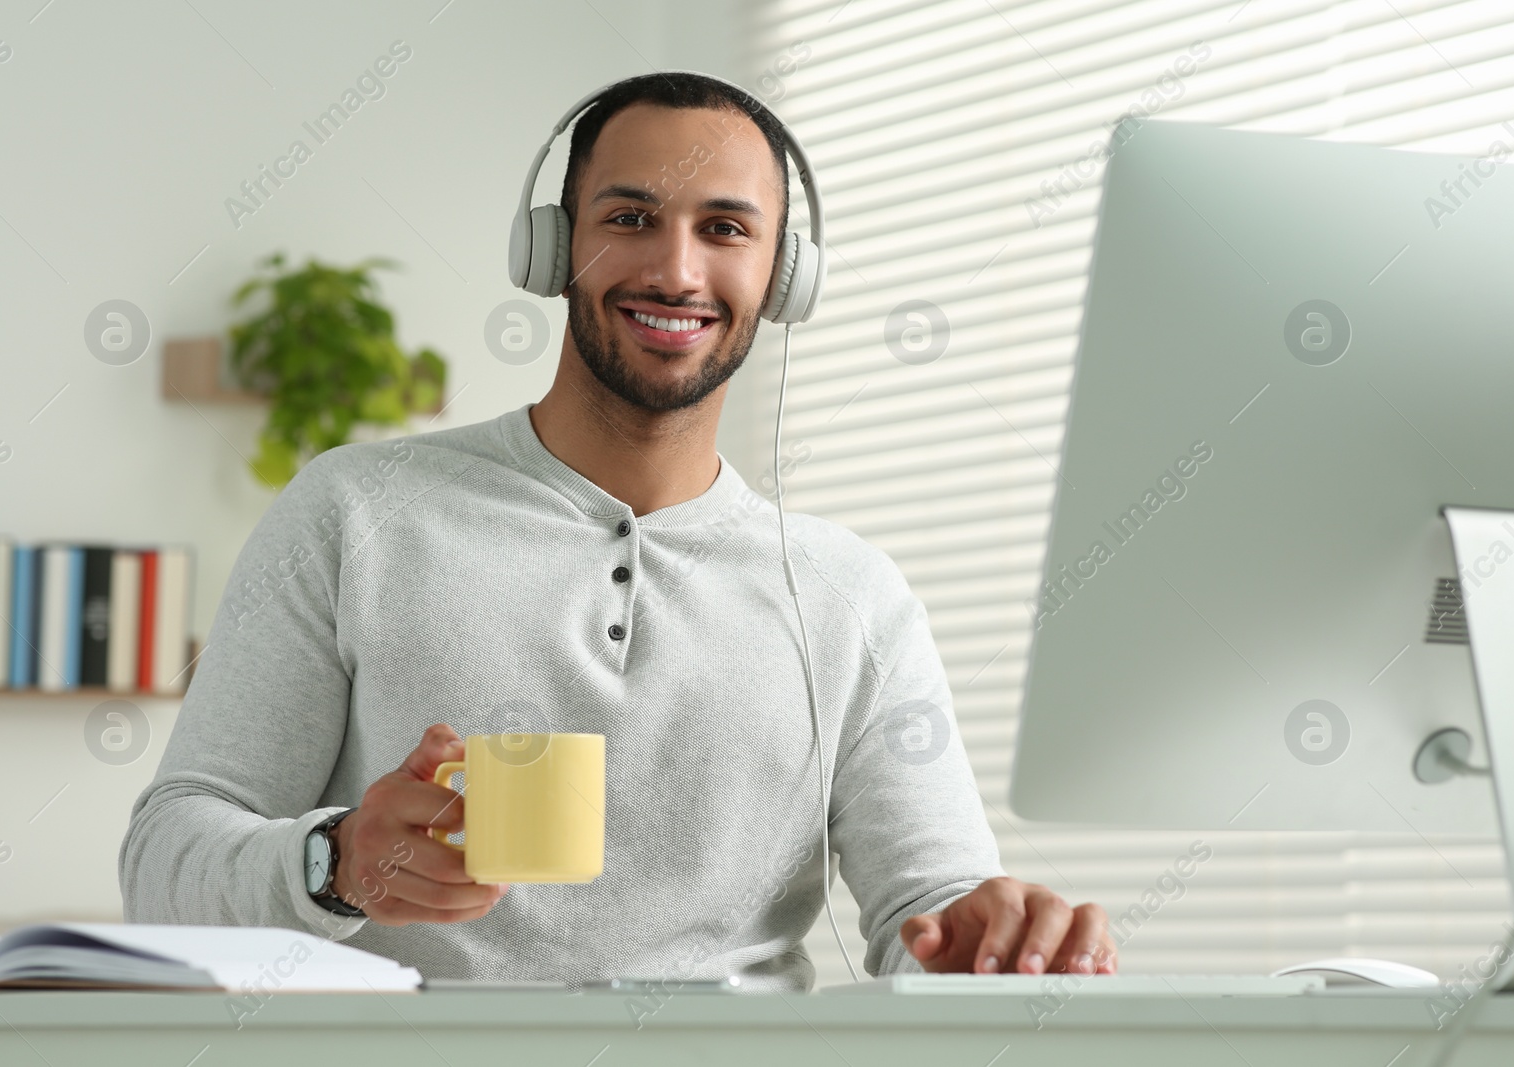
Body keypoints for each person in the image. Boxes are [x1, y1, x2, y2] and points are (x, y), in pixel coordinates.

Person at [120, 71, 1116, 990]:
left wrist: (997, 937)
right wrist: (332, 862)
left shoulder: (851, 592)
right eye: (630, 217)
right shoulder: (354, 510)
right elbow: (164, 863)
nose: (676, 270)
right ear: (553, 250)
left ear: (783, 275)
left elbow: (927, 918)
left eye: (725, 228)